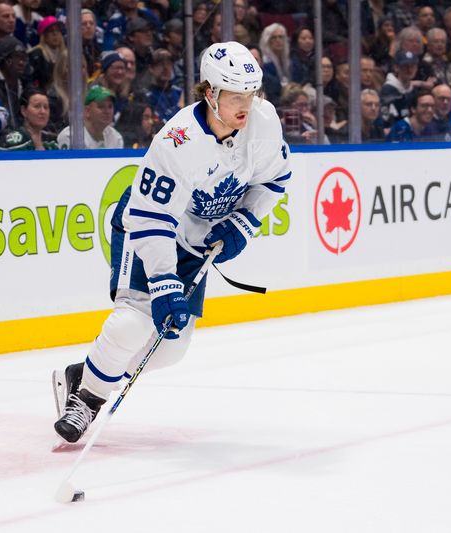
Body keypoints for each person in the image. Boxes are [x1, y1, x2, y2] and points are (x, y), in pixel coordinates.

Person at [52, 41, 291, 445]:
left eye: (251, 95)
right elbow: (152, 218)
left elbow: (275, 180)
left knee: (169, 350)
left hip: (194, 241)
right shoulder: (176, 142)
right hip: (148, 228)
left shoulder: (263, 122)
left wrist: (245, 220)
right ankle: (87, 399)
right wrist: (163, 282)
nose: (245, 106)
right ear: (210, 92)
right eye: (235, 96)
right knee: (134, 323)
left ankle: (85, 371)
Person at [56, 85, 124, 149]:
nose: (107, 111)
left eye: (110, 106)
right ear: (87, 111)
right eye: (101, 106)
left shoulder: (116, 137)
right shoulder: (70, 136)